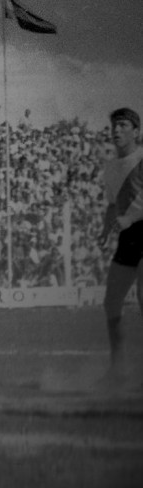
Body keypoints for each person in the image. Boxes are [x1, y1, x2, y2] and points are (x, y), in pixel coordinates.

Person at [97, 107, 143, 382]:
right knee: (111, 301)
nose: (116, 130)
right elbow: (113, 204)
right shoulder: (111, 168)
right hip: (128, 235)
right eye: (114, 125)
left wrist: (129, 217)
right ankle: (118, 368)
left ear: (136, 132)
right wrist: (105, 228)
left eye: (123, 125)